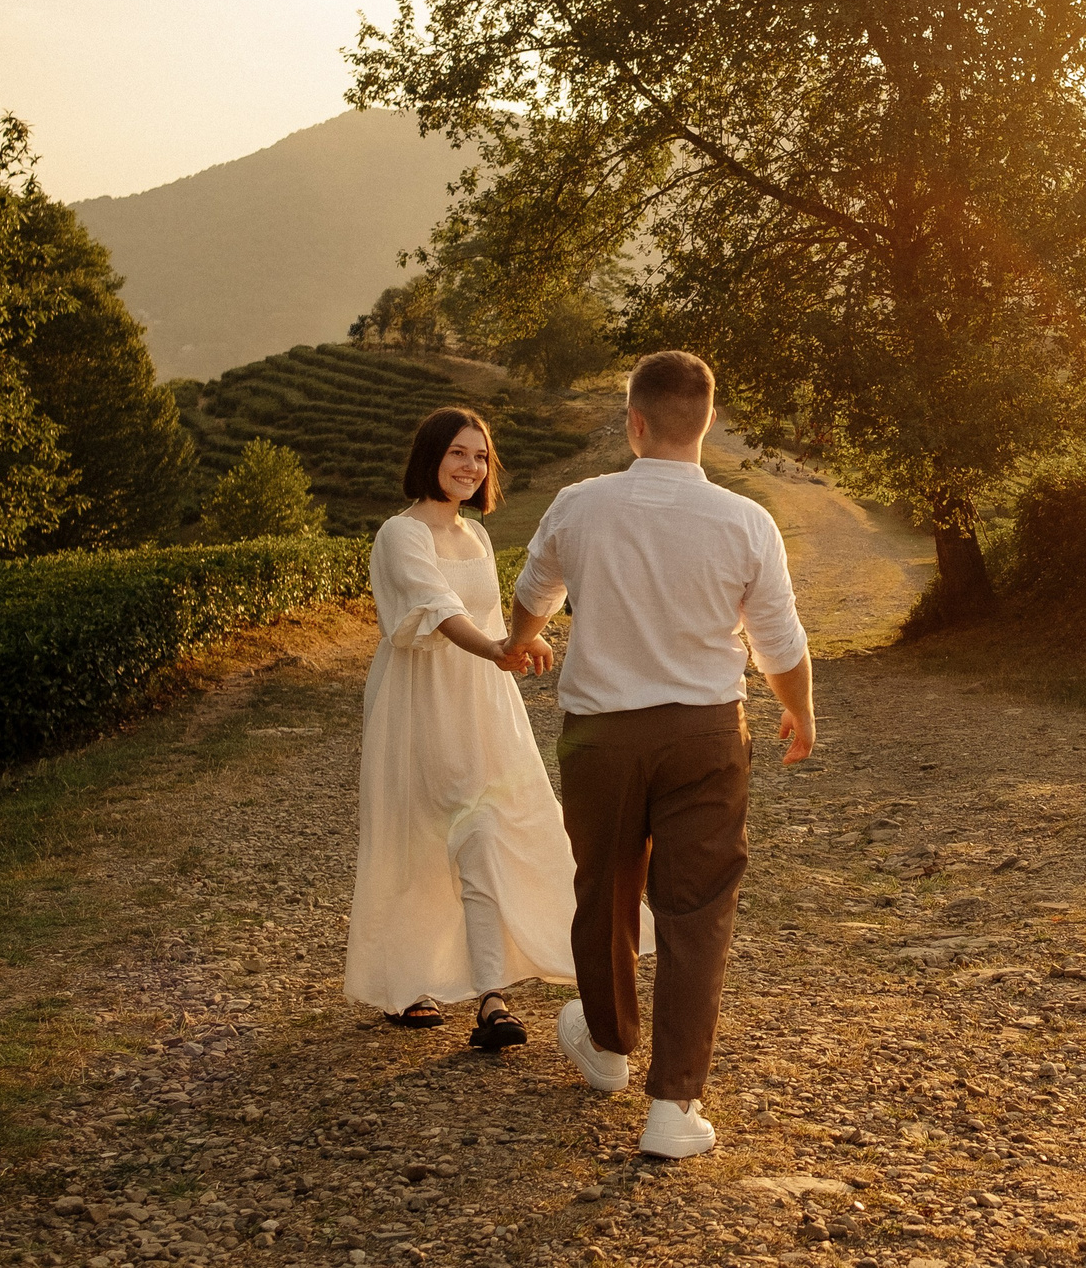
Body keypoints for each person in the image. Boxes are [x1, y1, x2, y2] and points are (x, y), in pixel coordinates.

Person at [503, 350, 815, 1161]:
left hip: (601, 735)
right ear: (705, 423)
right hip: (707, 732)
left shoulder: (579, 504)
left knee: (604, 888)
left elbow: (533, 597)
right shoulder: (746, 520)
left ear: (634, 422)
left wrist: (521, 641)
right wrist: (799, 709)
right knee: (696, 910)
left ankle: (608, 1047)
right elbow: (780, 644)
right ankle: (674, 1105)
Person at [343, 406, 594, 1049]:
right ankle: (408, 980)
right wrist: (496, 649)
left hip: (483, 702)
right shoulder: (400, 534)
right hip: (418, 702)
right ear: (430, 455)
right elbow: (438, 608)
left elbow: (488, 616)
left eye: (481, 456)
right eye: (458, 452)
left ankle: (491, 998)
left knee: (486, 834)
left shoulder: (477, 536)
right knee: (419, 839)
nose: (471, 466)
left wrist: (521, 640)